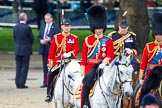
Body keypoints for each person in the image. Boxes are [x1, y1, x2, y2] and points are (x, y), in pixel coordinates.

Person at [81, 5, 114, 108]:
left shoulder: (108, 40)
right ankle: (84, 103)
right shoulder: (88, 40)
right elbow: (84, 57)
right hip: (90, 67)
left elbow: (110, 55)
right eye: (96, 28)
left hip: (103, 66)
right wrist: (83, 71)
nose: (98, 30)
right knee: (86, 85)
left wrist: (104, 63)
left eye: (100, 28)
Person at [45, 18, 80, 102]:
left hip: (70, 61)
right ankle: (49, 94)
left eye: (68, 26)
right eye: (65, 26)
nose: (67, 28)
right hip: (59, 61)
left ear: (70, 27)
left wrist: (70, 54)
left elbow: (76, 49)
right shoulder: (56, 37)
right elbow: (51, 52)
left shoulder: (74, 38)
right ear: (62, 26)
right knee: (50, 75)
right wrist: (50, 64)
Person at [138, 12, 162, 105]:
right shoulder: (149, 46)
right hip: (152, 72)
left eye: (160, 35)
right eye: (157, 35)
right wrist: (141, 76)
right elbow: (143, 63)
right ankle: (141, 104)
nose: (158, 37)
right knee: (145, 88)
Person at [38, 13, 60, 88]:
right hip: (44, 49)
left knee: (52, 66)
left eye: (48, 19)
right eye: (45, 19)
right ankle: (45, 82)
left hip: (52, 49)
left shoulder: (56, 27)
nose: (46, 20)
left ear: (51, 19)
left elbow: (58, 37)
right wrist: (41, 40)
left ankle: (52, 81)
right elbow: (39, 36)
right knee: (45, 66)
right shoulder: (43, 26)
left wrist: (51, 39)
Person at [13, 12, 34, 89]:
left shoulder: (15, 27)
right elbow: (31, 39)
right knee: (24, 67)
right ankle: (21, 83)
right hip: (25, 49)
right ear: (25, 18)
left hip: (18, 49)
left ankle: (17, 82)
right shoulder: (27, 27)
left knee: (18, 66)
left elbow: (15, 38)